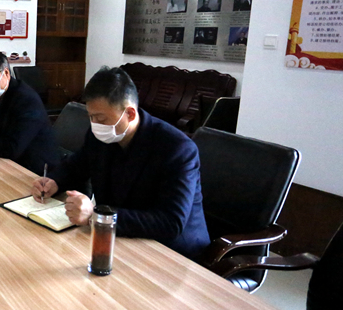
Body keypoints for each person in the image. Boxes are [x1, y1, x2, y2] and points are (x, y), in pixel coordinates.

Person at [30, 67, 210, 259]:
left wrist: (96, 215)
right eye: (91, 117)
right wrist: (53, 181)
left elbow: (170, 223)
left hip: (171, 252)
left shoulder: (176, 149)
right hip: (118, 238)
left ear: (130, 114)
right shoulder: (101, 134)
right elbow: (77, 165)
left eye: (100, 118)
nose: (95, 125)